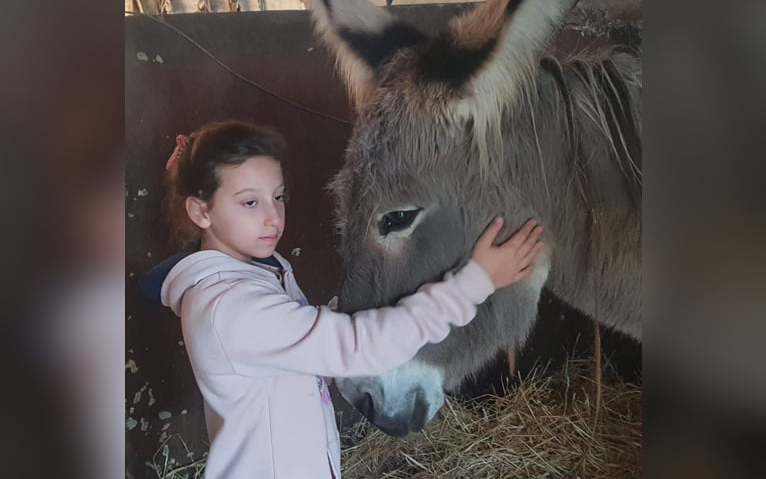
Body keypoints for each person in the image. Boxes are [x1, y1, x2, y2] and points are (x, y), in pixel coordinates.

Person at [145, 120, 544, 479]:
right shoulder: (229, 306)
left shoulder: (260, 272)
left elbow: (301, 339)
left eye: (278, 197)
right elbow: (355, 347)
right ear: (201, 212)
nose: (273, 218)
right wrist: (474, 282)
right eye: (250, 202)